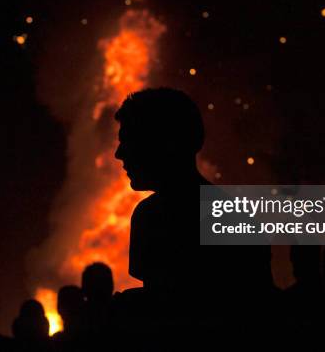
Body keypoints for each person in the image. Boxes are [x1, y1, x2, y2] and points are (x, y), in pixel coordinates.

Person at [114, 88, 274, 346]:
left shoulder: (151, 217)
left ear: (164, 144)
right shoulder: (237, 218)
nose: (119, 154)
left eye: (128, 140)